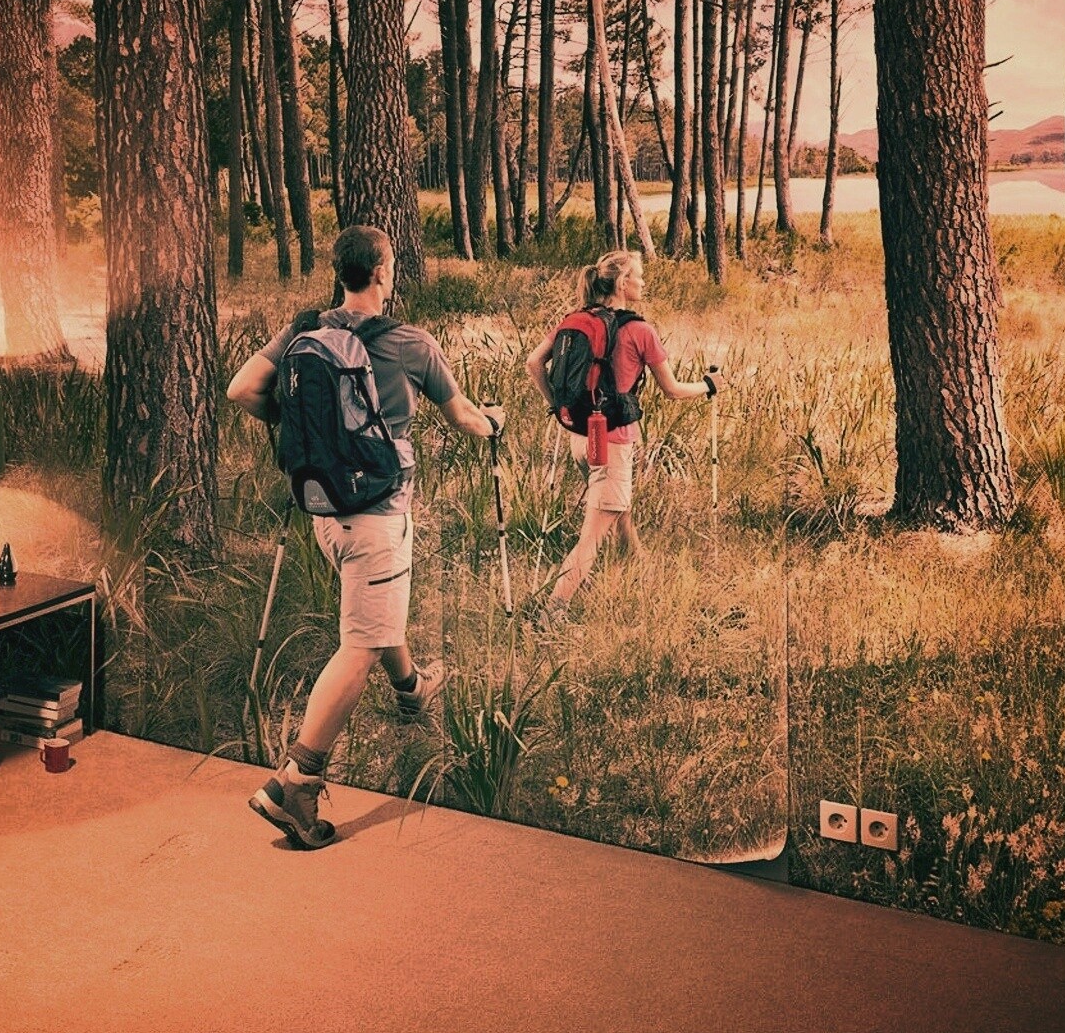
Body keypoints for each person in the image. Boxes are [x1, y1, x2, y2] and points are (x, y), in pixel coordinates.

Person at [226, 225, 504, 850]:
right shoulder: (411, 342)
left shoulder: (303, 330)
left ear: (340, 272)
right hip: (376, 515)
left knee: (376, 611)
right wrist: (494, 423)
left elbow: (241, 389)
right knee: (361, 644)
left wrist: (297, 424)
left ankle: (412, 689)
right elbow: (463, 415)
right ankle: (295, 782)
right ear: (382, 272)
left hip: (324, 511)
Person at [525, 250, 720, 621]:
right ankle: (552, 611)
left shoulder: (575, 319)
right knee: (592, 538)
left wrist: (558, 408)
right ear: (622, 283)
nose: (643, 282)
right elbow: (673, 390)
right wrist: (709, 386)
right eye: (639, 276)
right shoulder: (640, 330)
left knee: (618, 509)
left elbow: (534, 363)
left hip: (581, 437)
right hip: (612, 442)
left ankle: (637, 569)